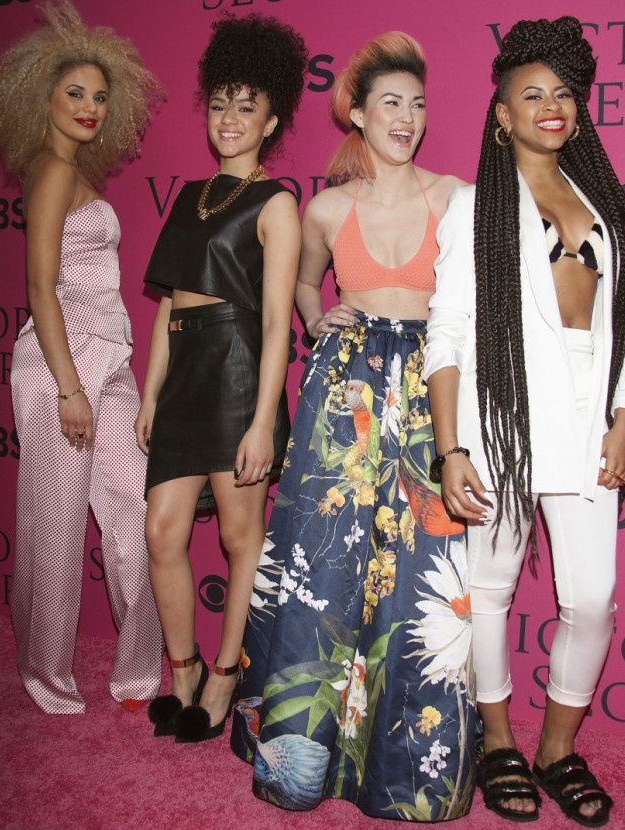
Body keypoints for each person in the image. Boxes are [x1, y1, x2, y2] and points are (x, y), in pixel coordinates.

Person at [230, 32, 476, 823]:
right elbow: (303, 284)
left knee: (417, 575)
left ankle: (408, 778)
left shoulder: (454, 196)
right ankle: (300, 764)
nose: (407, 118)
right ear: (360, 115)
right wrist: (318, 312)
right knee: (320, 568)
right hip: (345, 391)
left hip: (426, 391)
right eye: (391, 104)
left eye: (418, 104)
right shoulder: (326, 207)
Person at [425, 16, 625, 827]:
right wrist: (452, 446)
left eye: (562, 93)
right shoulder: (475, 206)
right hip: (503, 423)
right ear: (501, 115)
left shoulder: (604, 204)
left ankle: (557, 746)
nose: (551, 105)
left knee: (593, 598)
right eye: (532, 94)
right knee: (491, 591)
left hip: (590, 423)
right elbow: (445, 333)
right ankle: (497, 743)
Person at [0, 0, 165, 714]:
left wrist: (91, 380)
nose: (90, 106)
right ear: (42, 98)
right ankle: (46, 675)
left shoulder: (77, 171)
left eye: (99, 96)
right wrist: (67, 389)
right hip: (60, 364)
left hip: (105, 358)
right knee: (55, 522)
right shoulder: (51, 171)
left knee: (132, 503)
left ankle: (137, 671)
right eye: (75, 93)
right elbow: (39, 287)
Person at [135, 13, 307, 744]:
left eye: (247, 106)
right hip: (181, 376)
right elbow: (168, 306)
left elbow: (276, 325)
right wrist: (149, 395)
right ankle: (182, 667)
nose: (230, 118)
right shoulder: (187, 196)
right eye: (220, 104)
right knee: (161, 530)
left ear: (271, 121)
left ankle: (227, 670)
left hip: (240, 375)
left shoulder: (277, 204)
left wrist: (265, 419)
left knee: (242, 540)